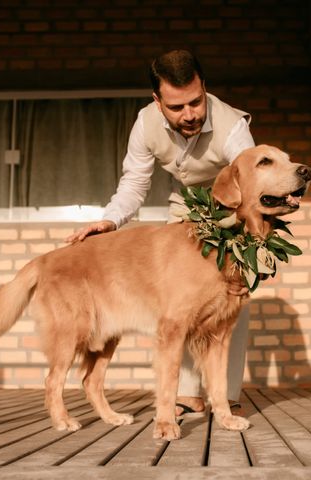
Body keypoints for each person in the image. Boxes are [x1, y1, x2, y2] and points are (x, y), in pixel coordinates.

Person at [66, 49, 255, 416]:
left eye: (196, 102)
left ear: (205, 89)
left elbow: (248, 177)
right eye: (177, 107)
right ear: (157, 101)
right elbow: (134, 184)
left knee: (232, 296)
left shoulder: (233, 126)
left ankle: (225, 395)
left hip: (233, 205)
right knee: (179, 301)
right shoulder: (145, 123)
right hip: (185, 206)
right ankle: (186, 394)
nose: (190, 114)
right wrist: (110, 220)